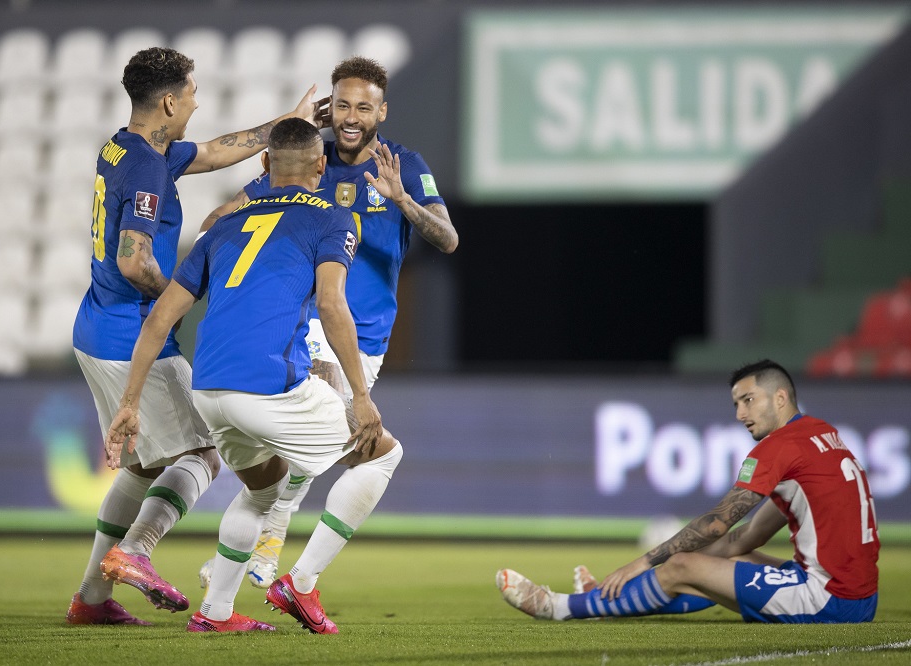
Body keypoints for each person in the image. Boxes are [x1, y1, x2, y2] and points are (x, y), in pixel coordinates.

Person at [104, 117, 404, 634]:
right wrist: (360, 395)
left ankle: (216, 612)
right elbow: (332, 305)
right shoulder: (334, 219)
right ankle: (301, 583)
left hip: (209, 389)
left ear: (264, 164)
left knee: (265, 489)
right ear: (320, 166)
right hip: (266, 385)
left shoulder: (222, 225)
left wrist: (128, 402)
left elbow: (159, 318)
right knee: (383, 453)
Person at [66, 46, 328, 626]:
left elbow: (213, 152)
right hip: (129, 331)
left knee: (141, 466)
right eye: (190, 93)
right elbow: (134, 260)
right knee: (204, 452)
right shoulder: (145, 168)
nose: (196, 102)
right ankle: (135, 552)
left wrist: (289, 123)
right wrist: (179, 293)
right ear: (168, 100)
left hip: (96, 323)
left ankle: (89, 600)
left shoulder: (128, 147)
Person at [197, 55, 458, 591]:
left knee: (310, 446)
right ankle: (264, 554)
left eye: (364, 106)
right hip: (306, 321)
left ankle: (249, 554)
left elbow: (448, 239)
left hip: (367, 334)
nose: (351, 116)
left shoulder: (403, 165)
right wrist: (272, 159)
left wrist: (403, 200)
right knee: (309, 433)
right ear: (329, 108)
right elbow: (217, 222)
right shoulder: (306, 161)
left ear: (382, 111)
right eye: (342, 104)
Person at [498, 359, 880, 624]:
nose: (740, 415)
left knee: (682, 566)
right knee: (734, 558)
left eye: (748, 401)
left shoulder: (778, 447)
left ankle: (559, 606)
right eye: (735, 404)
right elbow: (744, 537)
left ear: (780, 397)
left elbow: (717, 524)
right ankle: (606, 602)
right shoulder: (820, 433)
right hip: (859, 593)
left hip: (830, 598)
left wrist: (641, 564)